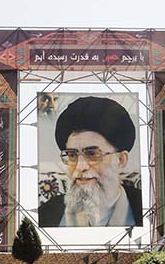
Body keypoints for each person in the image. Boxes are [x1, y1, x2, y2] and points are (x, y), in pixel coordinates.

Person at [38, 96, 142, 227]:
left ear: (121, 160)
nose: (80, 167)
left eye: (92, 154)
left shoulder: (146, 208)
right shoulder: (46, 214)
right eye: (72, 155)